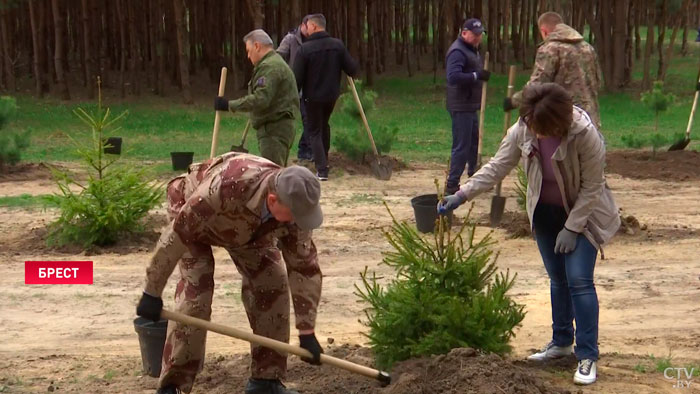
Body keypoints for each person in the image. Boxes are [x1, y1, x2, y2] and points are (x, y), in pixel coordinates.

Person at [439, 83, 620, 386]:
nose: (536, 133)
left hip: (583, 216)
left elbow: (592, 187)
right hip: (545, 216)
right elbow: (498, 166)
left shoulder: (584, 135)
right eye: (532, 125)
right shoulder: (524, 128)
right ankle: (561, 343)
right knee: (558, 279)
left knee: (578, 280)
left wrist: (572, 228)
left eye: (542, 128)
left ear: (559, 122)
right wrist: (462, 194)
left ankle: (587, 355)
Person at [136, 152, 324, 394]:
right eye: (296, 216)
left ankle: (265, 382)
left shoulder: (295, 205)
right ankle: (172, 386)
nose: (299, 222)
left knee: (273, 283)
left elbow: (305, 267)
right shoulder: (225, 187)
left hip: (249, 229)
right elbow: (175, 239)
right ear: (273, 200)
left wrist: (307, 330)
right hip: (195, 216)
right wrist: (151, 292)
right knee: (196, 296)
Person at [504, 12, 602, 129]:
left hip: (564, 120)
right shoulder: (587, 48)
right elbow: (598, 81)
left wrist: (514, 101)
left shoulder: (550, 49)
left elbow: (536, 86)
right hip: (590, 120)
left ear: (544, 31)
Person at [215, 29, 299, 167]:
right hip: (276, 128)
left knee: (272, 177)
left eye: (248, 51)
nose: (248, 56)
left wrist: (229, 105)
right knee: (275, 175)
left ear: (257, 46)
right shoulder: (273, 63)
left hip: (274, 130)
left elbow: (261, 99)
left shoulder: (270, 67)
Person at [293, 13, 360, 181]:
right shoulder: (337, 46)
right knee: (324, 125)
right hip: (331, 96)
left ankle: (322, 169)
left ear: (314, 26)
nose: (306, 29)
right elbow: (352, 69)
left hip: (312, 97)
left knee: (314, 130)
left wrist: (294, 96)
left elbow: (297, 79)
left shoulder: (305, 49)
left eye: (307, 26)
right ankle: (325, 159)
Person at [444, 18, 491, 196]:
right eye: (475, 35)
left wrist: (479, 76)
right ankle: (452, 184)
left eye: (480, 35)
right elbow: (453, 77)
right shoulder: (457, 51)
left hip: (469, 104)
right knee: (462, 145)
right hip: (460, 105)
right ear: (464, 33)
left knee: (473, 143)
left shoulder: (472, 50)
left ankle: (474, 177)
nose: (478, 38)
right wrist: (476, 75)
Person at [277, 16, 313, 162]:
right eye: (309, 26)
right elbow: (278, 56)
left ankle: (305, 149)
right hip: (294, 86)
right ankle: (304, 150)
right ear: (302, 25)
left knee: (309, 120)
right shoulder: (291, 39)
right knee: (295, 119)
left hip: (310, 86)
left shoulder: (315, 40)